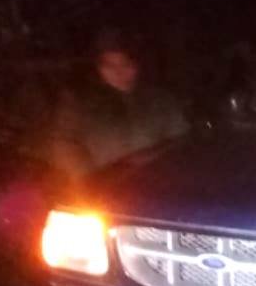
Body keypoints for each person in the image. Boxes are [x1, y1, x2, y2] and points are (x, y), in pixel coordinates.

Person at [48, 32, 189, 183]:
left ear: (137, 66)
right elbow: (64, 143)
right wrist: (90, 179)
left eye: (125, 64)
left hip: (156, 184)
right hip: (106, 189)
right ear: (98, 68)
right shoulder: (79, 102)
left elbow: (179, 141)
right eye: (109, 66)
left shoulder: (159, 100)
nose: (118, 72)